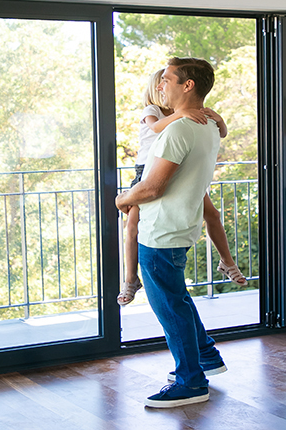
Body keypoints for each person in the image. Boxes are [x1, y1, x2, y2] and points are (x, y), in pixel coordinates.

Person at [115, 57, 225, 408]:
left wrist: (122, 198)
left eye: (167, 79)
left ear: (187, 85)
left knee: (170, 309)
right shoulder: (208, 126)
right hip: (182, 227)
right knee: (177, 299)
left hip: (160, 232)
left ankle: (191, 382)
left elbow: (152, 188)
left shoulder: (178, 129)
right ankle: (204, 357)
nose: (161, 85)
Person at [118, 70, 246, 306]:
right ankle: (130, 279)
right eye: (160, 83)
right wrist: (182, 113)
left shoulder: (190, 116)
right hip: (146, 172)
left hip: (179, 172)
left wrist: (219, 119)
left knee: (213, 215)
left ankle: (227, 261)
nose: (162, 88)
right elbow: (156, 129)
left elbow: (222, 134)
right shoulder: (153, 111)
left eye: (165, 83)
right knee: (133, 226)